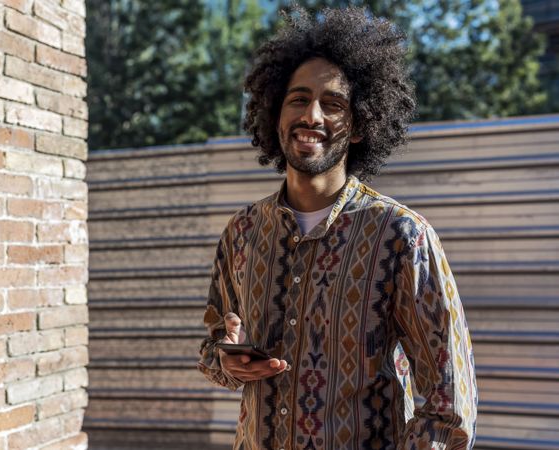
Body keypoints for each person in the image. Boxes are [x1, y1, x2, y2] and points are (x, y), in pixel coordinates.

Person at [197, 6, 477, 450]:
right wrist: (228, 361)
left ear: (361, 125)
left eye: (333, 104)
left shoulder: (402, 236)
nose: (312, 116)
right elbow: (214, 346)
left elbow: (449, 406)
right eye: (298, 99)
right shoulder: (243, 231)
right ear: (276, 113)